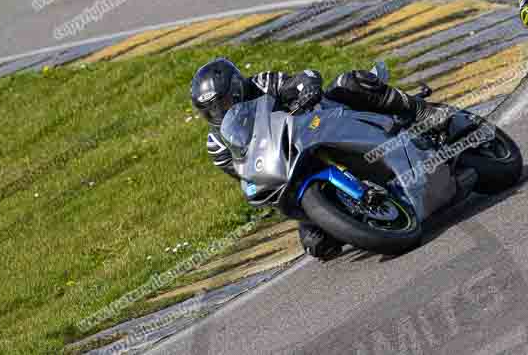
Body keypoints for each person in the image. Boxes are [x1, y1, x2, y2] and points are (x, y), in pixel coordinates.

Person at [190, 58, 450, 260]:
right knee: (318, 245)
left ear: (237, 89)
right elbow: (245, 173)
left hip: (317, 126)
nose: (219, 112)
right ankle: (363, 212)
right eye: (211, 110)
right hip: (290, 169)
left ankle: (420, 110)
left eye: (223, 103)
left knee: (349, 83)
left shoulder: (262, 83)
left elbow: (304, 78)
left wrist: (306, 88)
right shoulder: (217, 144)